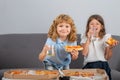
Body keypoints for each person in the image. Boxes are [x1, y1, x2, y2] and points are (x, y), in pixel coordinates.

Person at [80, 14, 119, 80]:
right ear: (88, 26)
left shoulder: (106, 37)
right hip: (89, 65)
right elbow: (84, 53)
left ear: (101, 27)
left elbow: (107, 57)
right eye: (92, 24)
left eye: (97, 24)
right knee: (96, 64)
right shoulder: (85, 37)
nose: (94, 26)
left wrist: (110, 47)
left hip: (103, 65)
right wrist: (89, 38)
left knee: (101, 63)